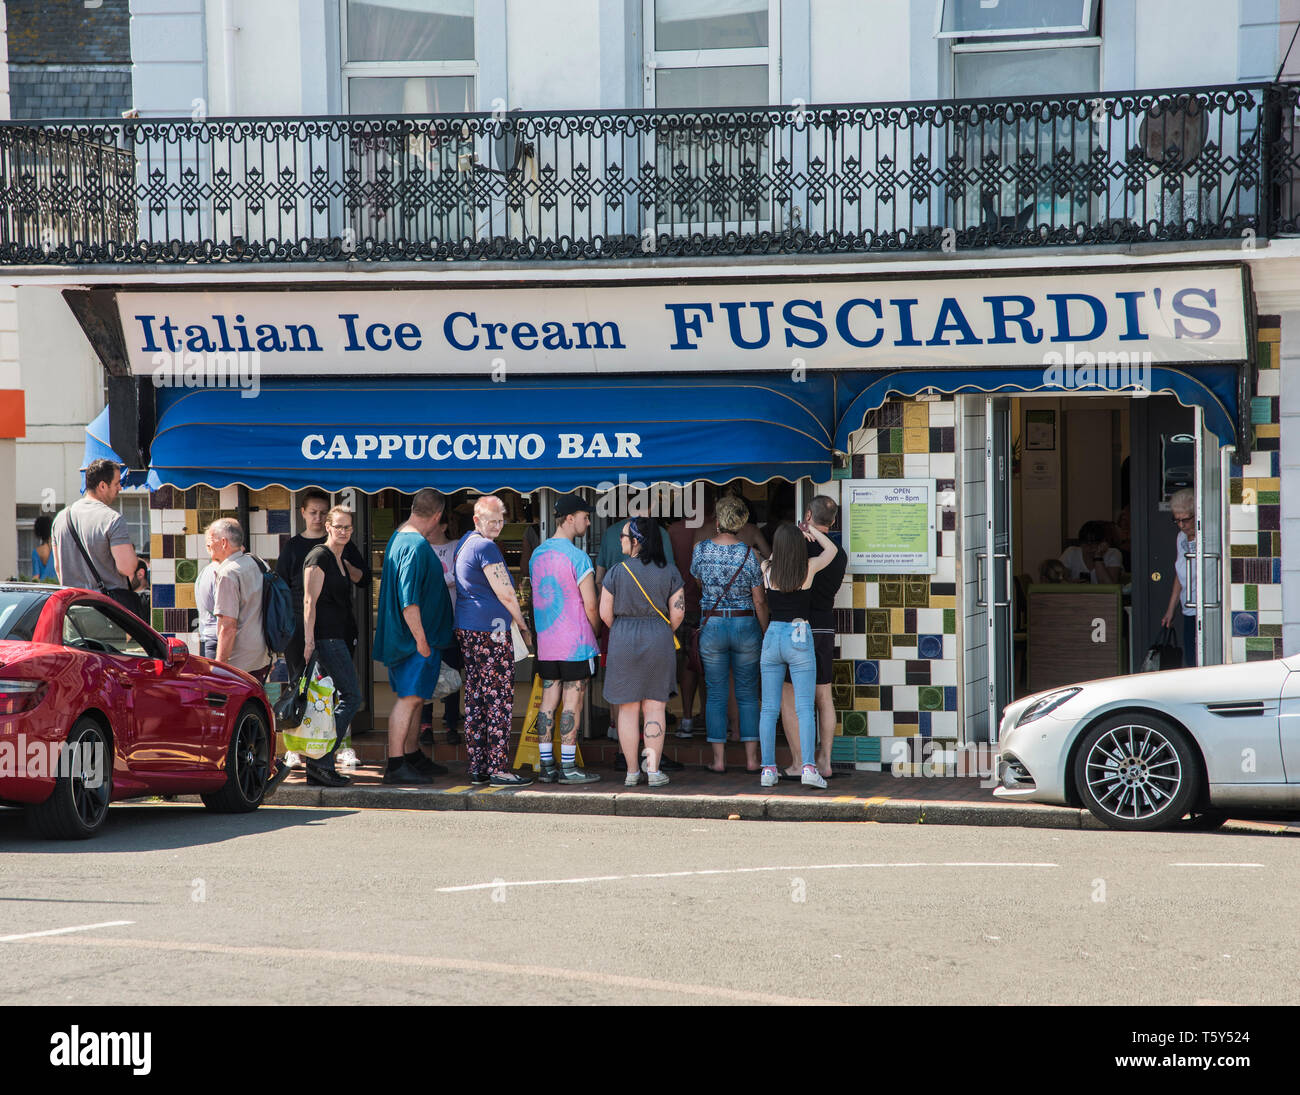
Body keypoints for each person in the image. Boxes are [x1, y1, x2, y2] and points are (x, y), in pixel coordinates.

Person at [373, 489, 455, 785]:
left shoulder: (400, 537)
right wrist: (421, 640)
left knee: (417, 698)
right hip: (415, 642)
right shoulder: (415, 544)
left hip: (415, 639)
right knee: (409, 699)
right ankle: (396, 763)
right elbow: (409, 600)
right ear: (436, 516)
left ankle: (411, 755)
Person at [455, 495, 534, 787]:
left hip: (468, 629)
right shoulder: (486, 546)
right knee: (499, 700)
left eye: (501, 520)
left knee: (476, 699)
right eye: (492, 521)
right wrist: (523, 625)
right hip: (493, 631)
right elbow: (505, 592)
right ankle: (499, 769)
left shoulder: (465, 542)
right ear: (477, 520)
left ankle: (479, 767)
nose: (498, 526)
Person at [601, 516, 685, 787]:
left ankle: (631, 772)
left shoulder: (616, 572)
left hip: (623, 638)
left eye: (625, 536)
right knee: (654, 708)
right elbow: (678, 612)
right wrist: (661, 631)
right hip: (659, 638)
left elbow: (605, 614)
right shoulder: (670, 572)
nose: (621, 540)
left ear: (637, 541)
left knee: (626, 709)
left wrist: (626, 627)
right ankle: (654, 771)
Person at [758, 520, 838, 789]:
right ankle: (808, 768)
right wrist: (810, 531)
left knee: (769, 709)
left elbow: (772, 558)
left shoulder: (766, 569)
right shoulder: (808, 568)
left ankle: (768, 770)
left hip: (772, 636)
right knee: (804, 708)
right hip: (799, 635)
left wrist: (780, 545)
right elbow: (831, 550)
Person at [691, 494, 766, 773]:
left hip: (712, 625)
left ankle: (719, 761)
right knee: (747, 693)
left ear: (718, 519)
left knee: (715, 693)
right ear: (742, 520)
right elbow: (759, 600)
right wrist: (765, 628)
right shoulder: (750, 554)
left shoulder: (700, 550)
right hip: (746, 625)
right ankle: (751, 760)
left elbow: (699, 583)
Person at [529, 494, 601, 784]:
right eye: (585, 516)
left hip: (547, 644)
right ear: (570, 518)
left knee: (548, 700)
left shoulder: (537, 555)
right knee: (573, 703)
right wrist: (595, 631)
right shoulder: (577, 556)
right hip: (576, 644)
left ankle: (547, 766)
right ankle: (568, 767)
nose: (588, 520)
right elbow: (591, 605)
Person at [777, 495, 847, 781]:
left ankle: (797, 762)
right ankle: (826, 761)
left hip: (799, 628)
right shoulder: (838, 552)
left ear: (807, 514)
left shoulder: (800, 547)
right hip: (825, 627)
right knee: (824, 696)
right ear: (833, 521)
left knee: (790, 697)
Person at [276, 487, 368, 686]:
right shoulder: (292, 546)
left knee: (336, 688)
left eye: (323, 513)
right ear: (303, 513)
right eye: (313, 512)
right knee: (301, 687)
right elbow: (281, 589)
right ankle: (303, 719)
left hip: (337, 629)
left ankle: (335, 719)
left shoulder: (343, 543)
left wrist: (344, 565)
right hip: (300, 628)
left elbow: (364, 579)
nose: (317, 517)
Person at [300, 505, 363, 788]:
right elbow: (309, 601)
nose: (344, 532)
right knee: (351, 696)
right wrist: (309, 641)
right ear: (327, 527)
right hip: (326, 639)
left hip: (338, 636)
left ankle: (321, 764)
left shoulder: (340, 557)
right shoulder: (319, 556)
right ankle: (320, 762)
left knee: (331, 702)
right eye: (338, 526)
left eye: (348, 527)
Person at [50, 458, 146, 616]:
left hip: (72, 611)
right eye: (116, 484)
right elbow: (127, 567)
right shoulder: (112, 519)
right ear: (102, 486)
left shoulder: (61, 518)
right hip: (106, 612)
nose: (120, 488)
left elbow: (58, 568)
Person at [206, 518, 271, 683]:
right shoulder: (259, 563)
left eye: (211, 540)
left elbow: (227, 626)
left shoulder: (228, 573)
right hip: (262, 653)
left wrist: (219, 668)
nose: (208, 545)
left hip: (239, 661)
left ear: (223, 542)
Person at [422, 507, 463, 745]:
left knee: (453, 673)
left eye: (433, 522)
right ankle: (425, 724)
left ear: (444, 526)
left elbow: (462, 576)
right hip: (428, 622)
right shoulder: (420, 547)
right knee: (429, 672)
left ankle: (451, 723)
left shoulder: (457, 546)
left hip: (453, 620)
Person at [1161, 487, 1199, 666]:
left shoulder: (1208, 536)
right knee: (1191, 659)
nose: (1182, 525)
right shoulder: (1180, 538)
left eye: (1185, 520)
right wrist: (1171, 609)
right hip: (1187, 607)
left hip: (1206, 608)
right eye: (1177, 521)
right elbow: (1180, 572)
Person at [196, 559, 219, 658]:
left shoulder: (206, 571)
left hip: (208, 639)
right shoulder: (220, 571)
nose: (242, 548)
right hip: (216, 640)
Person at [31, 514, 56, 580]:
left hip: (43, 587)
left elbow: (36, 576)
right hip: (57, 586)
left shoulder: (36, 552)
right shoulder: (56, 550)